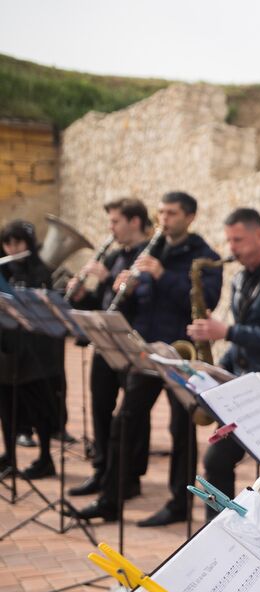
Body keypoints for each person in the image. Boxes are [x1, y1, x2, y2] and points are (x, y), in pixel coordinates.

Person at [77, 192, 222, 525]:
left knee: (180, 430)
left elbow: (205, 300)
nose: (164, 219)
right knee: (124, 420)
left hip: (179, 351)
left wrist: (162, 276)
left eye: (171, 213)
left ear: (190, 217)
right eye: (160, 212)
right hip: (146, 350)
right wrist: (119, 288)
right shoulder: (150, 251)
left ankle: (179, 504)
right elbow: (137, 303)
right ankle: (111, 499)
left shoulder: (204, 256)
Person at [187, 207, 260, 520]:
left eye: (238, 240)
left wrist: (226, 331)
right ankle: (222, 528)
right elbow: (242, 342)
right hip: (245, 391)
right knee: (216, 461)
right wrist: (210, 370)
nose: (232, 248)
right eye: (229, 240)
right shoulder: (240, 279)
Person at [69, 197, 154, 505]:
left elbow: (143, 302)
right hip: (106, 341)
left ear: (134, 221)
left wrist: (107, 280)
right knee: (101, 407)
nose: (111, 228)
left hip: (134, 343)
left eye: (115, 221)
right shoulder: (118, 256)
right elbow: (103, 303)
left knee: (133, 414)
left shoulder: (150, 254)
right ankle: (103, 468)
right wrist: (81, 296)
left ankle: (130, 476)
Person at [0, 220, 65, 479]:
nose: (13, 248)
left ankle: (46, 457)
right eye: (8, 243)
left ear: (28, 243)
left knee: (38, 406)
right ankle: (10, 456)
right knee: (5, 404)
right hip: (7, 348)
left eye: (18, 242)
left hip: (36, 352)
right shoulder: (3, 272)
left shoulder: (39, 271)